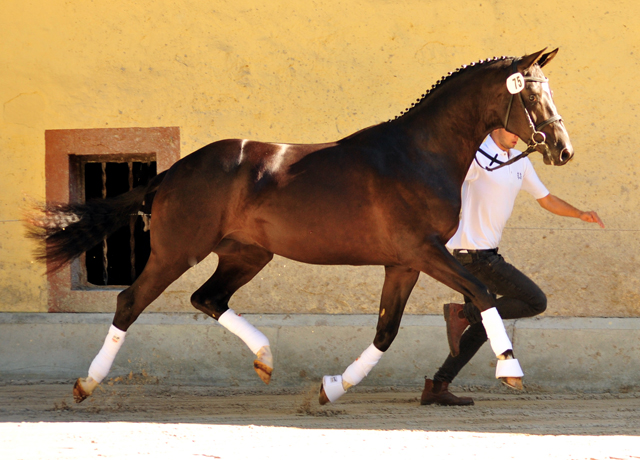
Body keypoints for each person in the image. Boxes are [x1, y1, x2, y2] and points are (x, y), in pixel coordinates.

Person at [421, 128, 604, 406]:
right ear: (495, 127)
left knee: (484, 326)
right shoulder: (477, 157)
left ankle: (438, 385)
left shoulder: (519, 160)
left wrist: (579, 213)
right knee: (534, 300)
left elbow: (545, 198)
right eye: (511, 129)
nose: (517, 135)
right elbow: (443, 180)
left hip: (485, 253)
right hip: (471, 254)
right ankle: (464, 313)